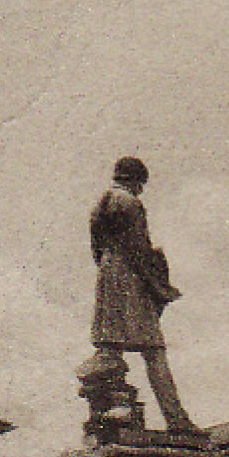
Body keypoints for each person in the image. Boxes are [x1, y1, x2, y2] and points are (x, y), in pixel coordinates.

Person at [87, 157, 198, 433]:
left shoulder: (99, 205)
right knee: (155, 352)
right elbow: (140, 249)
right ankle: (177, 421)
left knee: (109, 351)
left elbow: (97, 250)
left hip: (108, 279)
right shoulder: (130, 204)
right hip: (131, 280)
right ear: (136, 181)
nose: (141, 190)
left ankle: (108, 421)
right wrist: (160, 286)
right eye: (141, 184)